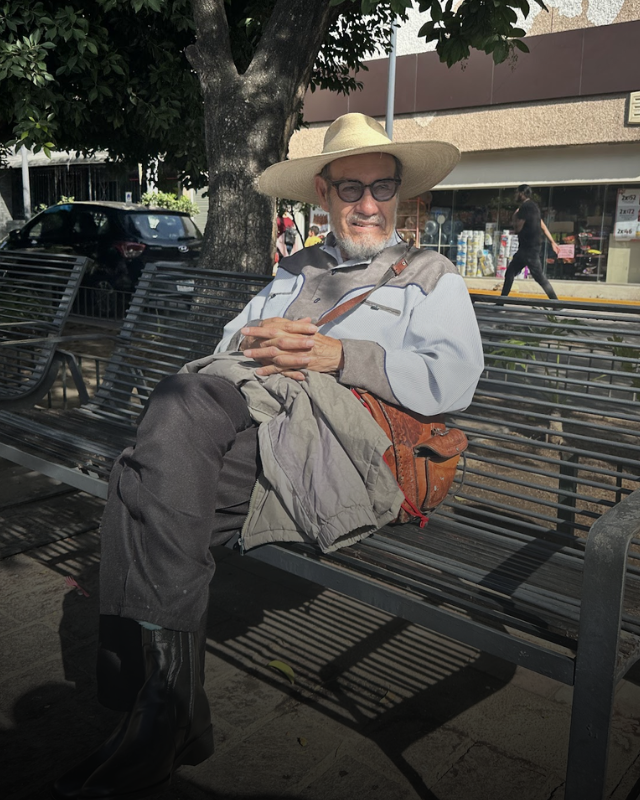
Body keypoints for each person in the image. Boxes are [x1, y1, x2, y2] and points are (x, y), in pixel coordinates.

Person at [52, 112, 484, 800]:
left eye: (382, 187)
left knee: (144, 477)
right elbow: (229, 347)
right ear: (324, 194)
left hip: (350, 446)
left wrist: (338, 355)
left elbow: (453, 381)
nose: (368, 204)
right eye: (350, 189)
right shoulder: (298, 267)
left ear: (399, 194)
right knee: (163, 456)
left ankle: (160, 714)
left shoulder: (431, 276)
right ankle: (162, 716)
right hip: (263, 423)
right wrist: (266, 336)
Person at [500, 184, 560, 300]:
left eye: (516, 193)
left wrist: (514, 216)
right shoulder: (534, 207)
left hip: (528, 249)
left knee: (539, 277)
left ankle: (556, 303)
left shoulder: (524, 208)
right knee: (510, 272)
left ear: (522, 193)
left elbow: (517, 229)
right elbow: (543, 226)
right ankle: (501, 301)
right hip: (528, 248)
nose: (515, 195)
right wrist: (552, 242)